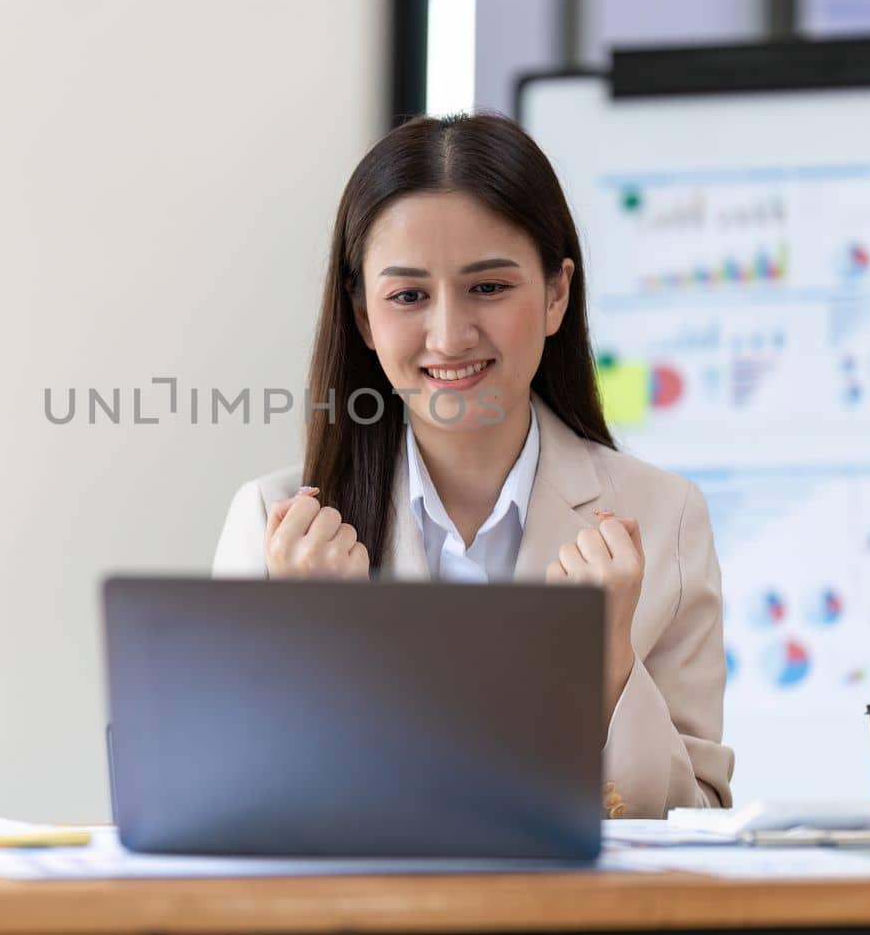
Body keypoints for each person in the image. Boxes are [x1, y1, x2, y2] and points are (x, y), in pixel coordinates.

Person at [210, 113, 733, 816]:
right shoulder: (275, 530)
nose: (450, 334)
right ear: (364, 316)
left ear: (555, 294)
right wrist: (315, 639)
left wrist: (608, 662)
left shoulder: (664, 516)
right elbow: (227, 814)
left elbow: (698, 824)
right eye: (408, 295)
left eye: (488, 287)